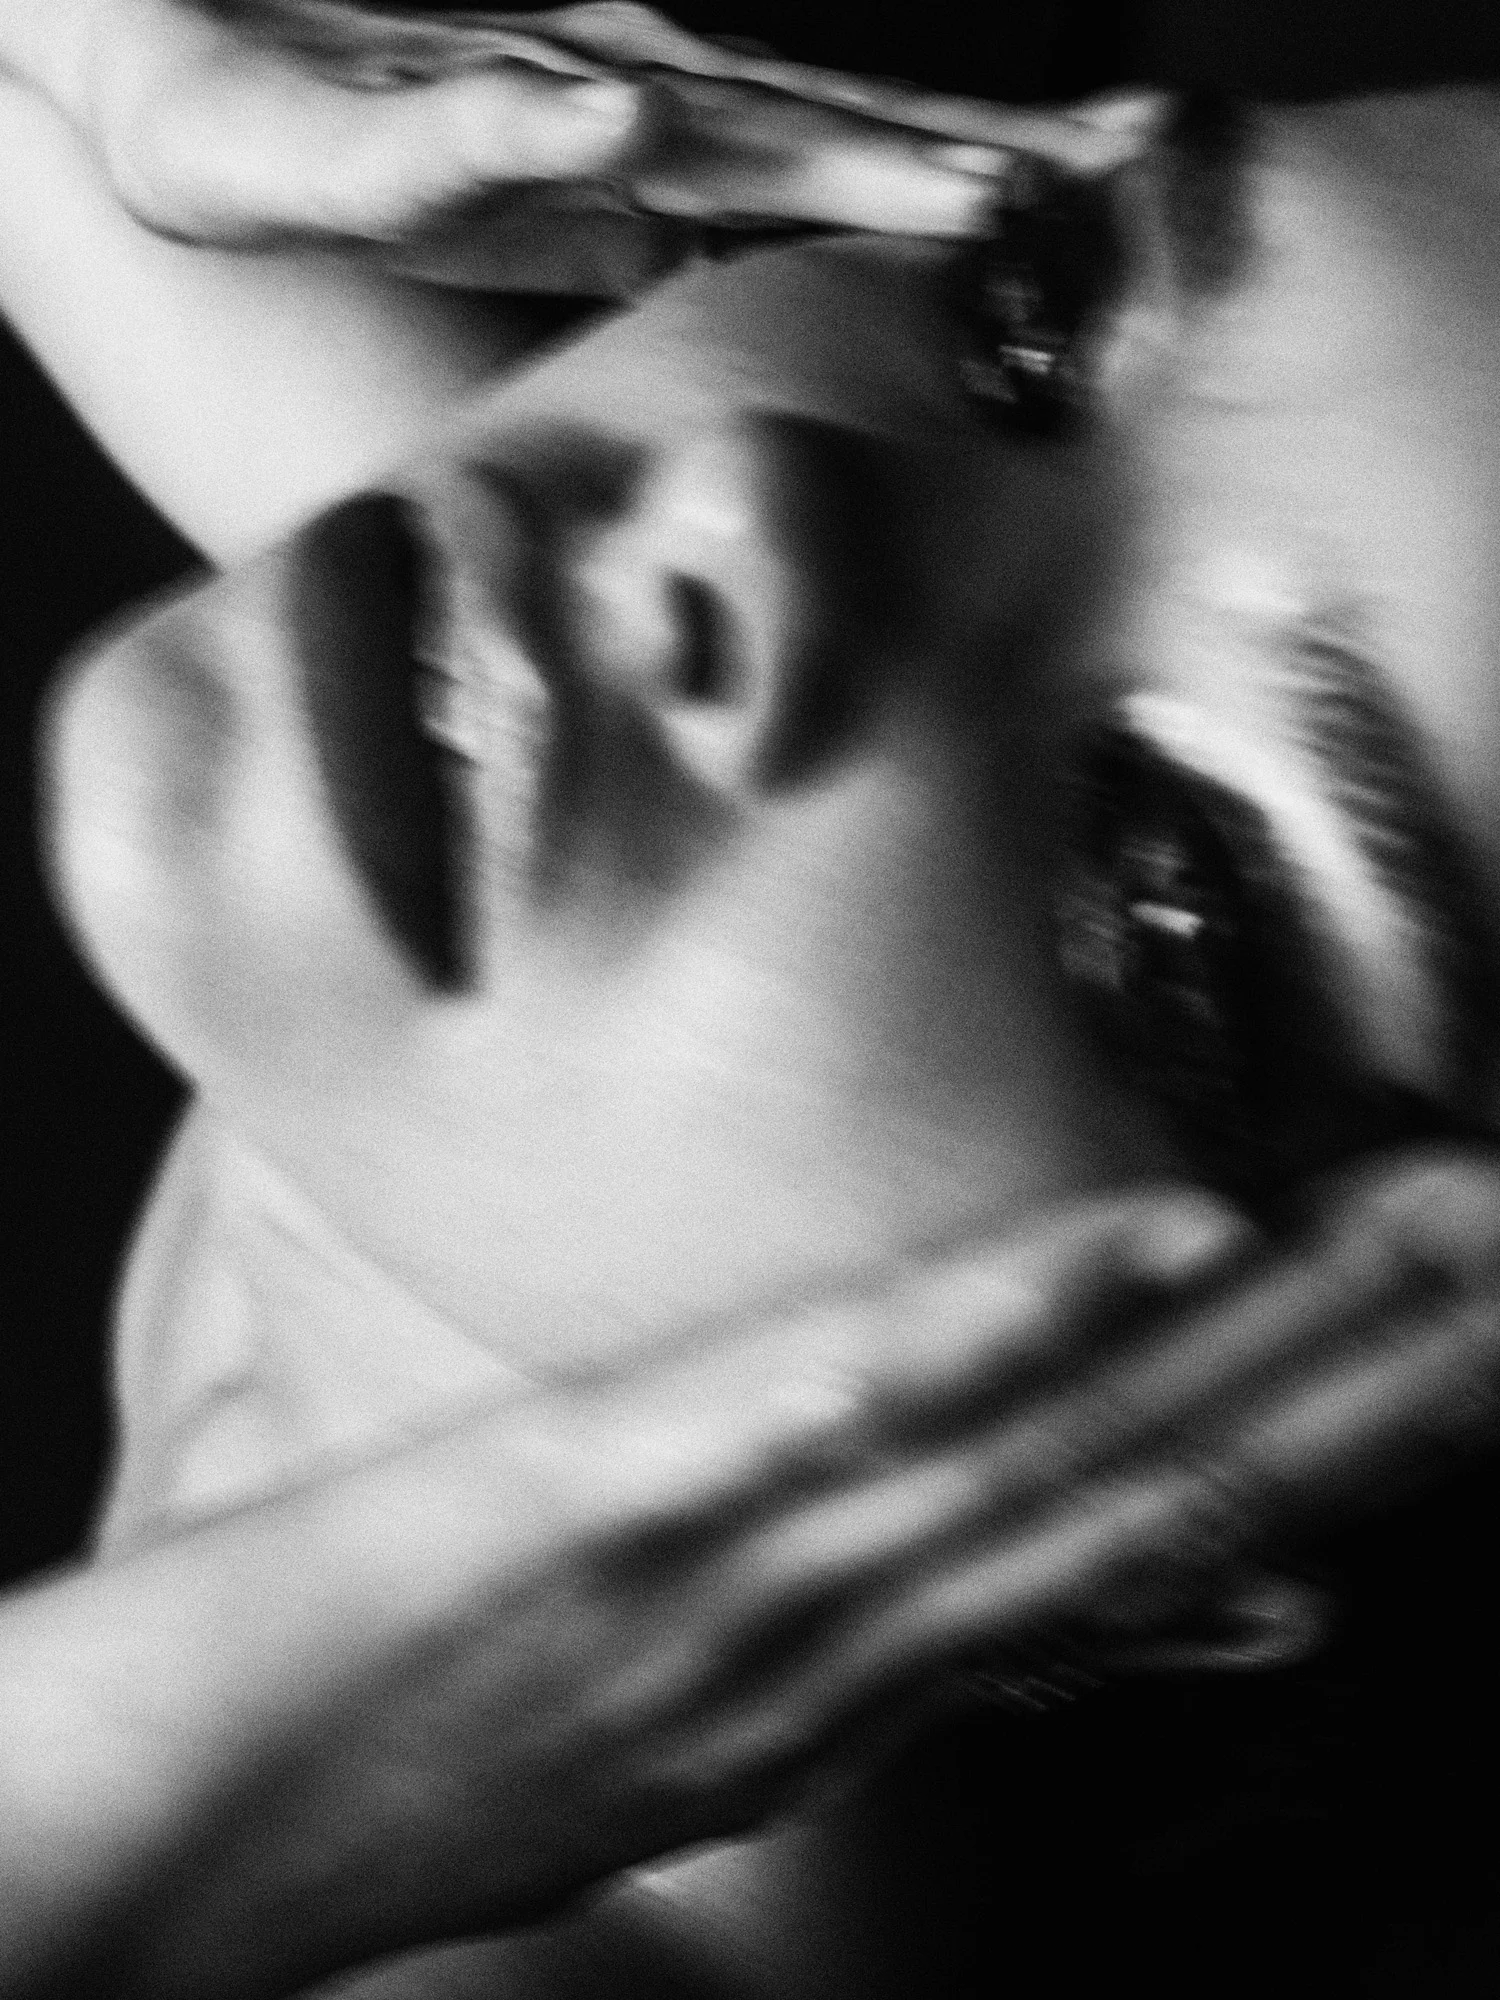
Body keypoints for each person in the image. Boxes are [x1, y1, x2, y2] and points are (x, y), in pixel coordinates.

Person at [10, 55, 1500, 2000]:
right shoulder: (492, 830)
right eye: (1034, 308)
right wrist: (136, 58)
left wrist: (117, 1806)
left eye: (1175, 906)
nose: (749, 496)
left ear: (1173, 1548)